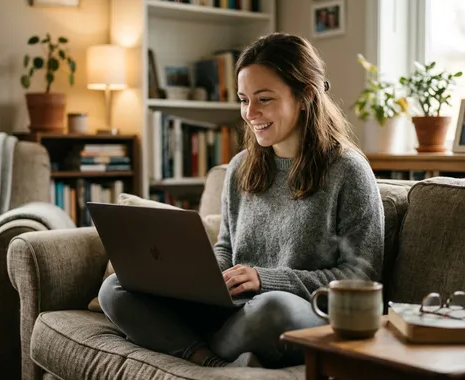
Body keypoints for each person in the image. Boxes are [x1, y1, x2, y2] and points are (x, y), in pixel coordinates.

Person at [98, 32, 385, 369]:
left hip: (294, 311)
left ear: (305, 95)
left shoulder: (348, 171)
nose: (250, 113)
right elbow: (227, 247)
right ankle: (206, 358)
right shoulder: (239, 168)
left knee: (272, 308)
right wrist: (202, 280)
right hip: (230, 307)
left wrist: (265, 279)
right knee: (115, 288)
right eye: (243, 99)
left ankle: (191, 341)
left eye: (264, 99)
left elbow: (361, 277)